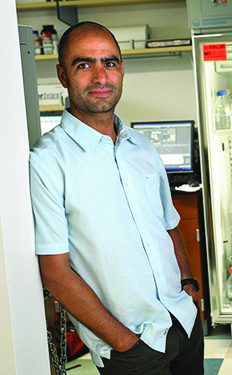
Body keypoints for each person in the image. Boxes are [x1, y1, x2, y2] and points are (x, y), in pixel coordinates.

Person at [29, 21, 204, 375]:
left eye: (109, 63)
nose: (100, 77)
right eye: (83, 65)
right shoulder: (47, 160)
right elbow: (56, 273)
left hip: (183, 323)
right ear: (63, 75)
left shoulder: (141, 146)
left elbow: (169, 225)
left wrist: (187, 286)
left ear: (122, 69)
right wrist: (123, 341)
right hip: (131, 345)